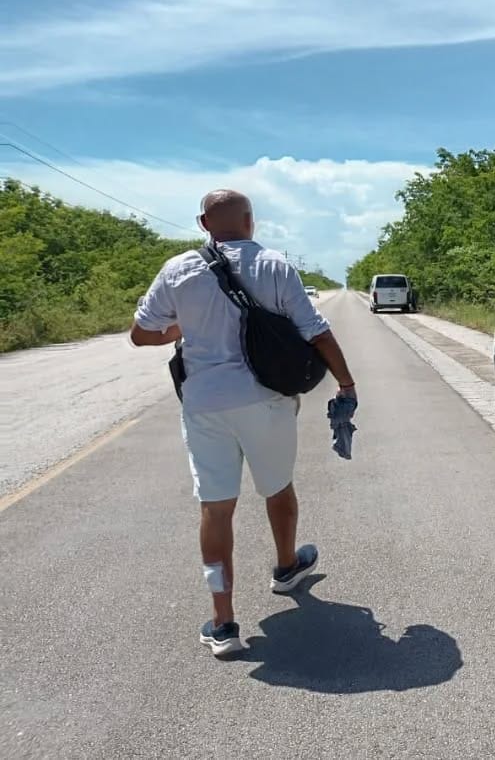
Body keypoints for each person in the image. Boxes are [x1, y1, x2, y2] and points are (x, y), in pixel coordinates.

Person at [129, 189, 356, 657]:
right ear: (250, 221)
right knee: (278, 488)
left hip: (204, 405)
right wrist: (346, 383)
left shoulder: (178, 269)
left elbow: (141, 334)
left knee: (215, 509)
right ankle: (287, 568)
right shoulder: (274, 265)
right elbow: (316, 331)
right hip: (266, 400)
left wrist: (182, 327)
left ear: (203, 223)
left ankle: (223, 622)